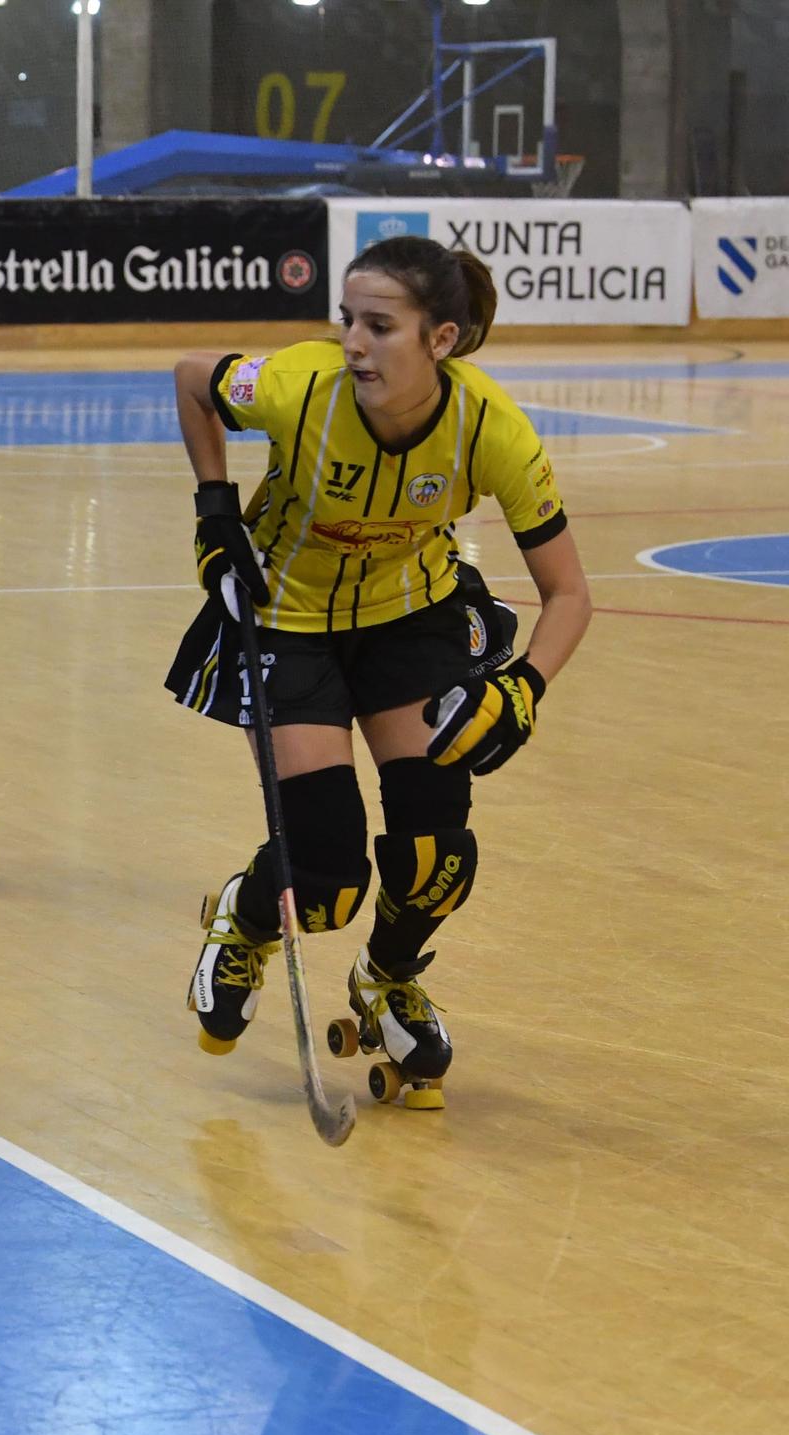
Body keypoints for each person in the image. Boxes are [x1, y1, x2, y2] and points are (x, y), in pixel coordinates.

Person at [165, 235, 591, 1109]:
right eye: (347, 320)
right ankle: (245, 919)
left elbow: (570, 594)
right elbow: (191, 376)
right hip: (288, 620)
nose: (354, 342)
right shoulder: (300, 385)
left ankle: (389, 977)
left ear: (440, 339)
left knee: (439, 855)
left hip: (410, 617)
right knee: (325, 882)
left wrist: (525, 688)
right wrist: (215, 509)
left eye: (380, 326)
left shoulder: (490, 426)